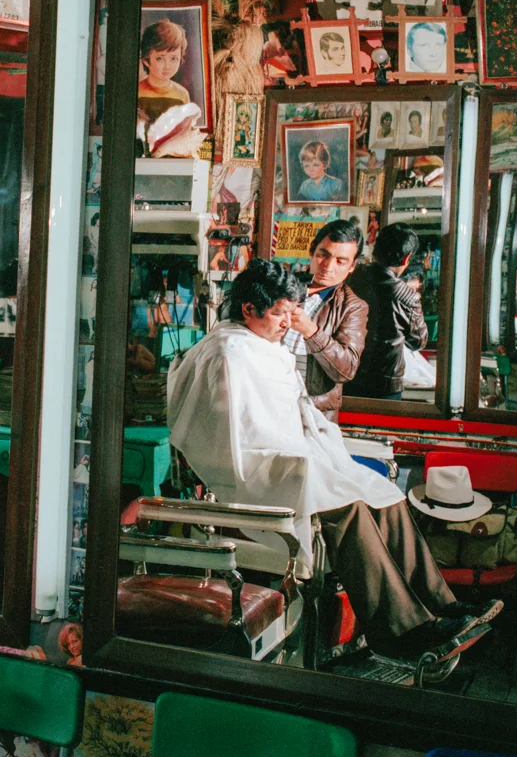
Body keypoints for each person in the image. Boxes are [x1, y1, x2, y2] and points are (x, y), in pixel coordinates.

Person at [168, 260, 495, 659]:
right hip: (249, 474)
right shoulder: (227, 352)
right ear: (249, 310)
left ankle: (441, 606)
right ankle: (399, 631)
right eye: (279, 313)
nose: (288, 322)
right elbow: (231, 437)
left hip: (287, 461)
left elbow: (289, 413)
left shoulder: (261, 346)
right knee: (351, 510)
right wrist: (297, 453)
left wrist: (314, 445)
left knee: (385, 496)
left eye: (293, 311)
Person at [283, 220, 368, 418]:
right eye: (324, 255)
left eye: (341, 261)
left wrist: (311, 331)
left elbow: (346, 369)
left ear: (352, 266)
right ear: (312, 251)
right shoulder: (282, 284)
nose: (328, 267)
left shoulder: (352, 307)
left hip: (312, 411)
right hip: (265, 398)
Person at [346, 224, 428, 400]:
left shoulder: (350, 277)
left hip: (347, 372)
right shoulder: (407, 297)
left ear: (375, 248)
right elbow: (418, 341)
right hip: (384, 384)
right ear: (407, 258)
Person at [137, 18, 192, 126]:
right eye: (160, 59)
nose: (167, 66)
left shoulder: (182, 94)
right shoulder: (137, 92)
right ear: (146, 61)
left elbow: (186, 129)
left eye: (173, 59)